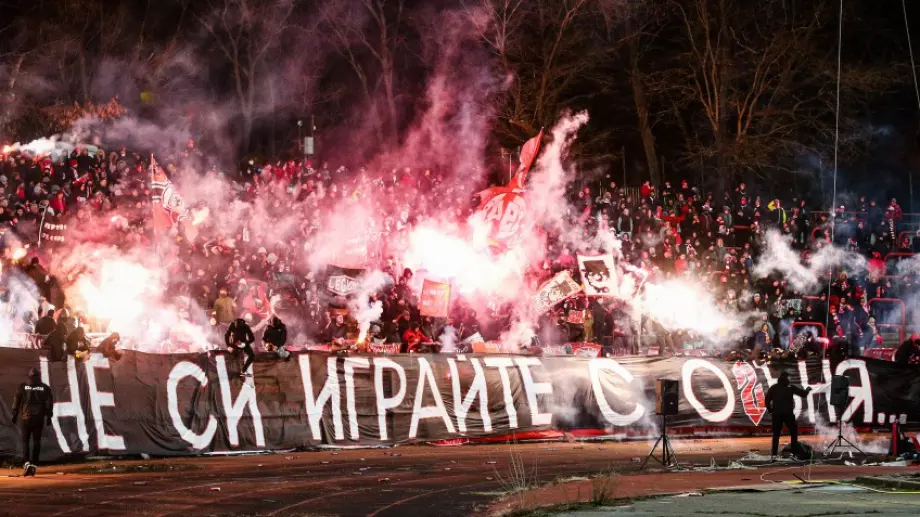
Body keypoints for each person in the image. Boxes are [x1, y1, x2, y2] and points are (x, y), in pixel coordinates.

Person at [11, 367, 53, 477]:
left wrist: (14, 415)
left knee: (25, 441)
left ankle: (26, 462)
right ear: (39, 376)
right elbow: (49, 404)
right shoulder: (45, 388)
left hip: (25, 417)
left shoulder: (23, 386)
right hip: (38, 418)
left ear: (29, 376)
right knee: (36, 441)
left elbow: (16, 401)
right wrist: (49, 416)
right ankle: (34, 464)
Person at [765, 371, 813, 460]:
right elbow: (804, 394)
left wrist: (770, 410)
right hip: (788, 414)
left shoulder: (774, 387)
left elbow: (767, 400)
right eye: (789, 378)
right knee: (793, 433)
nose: (790, 379)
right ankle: (794, 454)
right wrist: (808, 389)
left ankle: (774, 455)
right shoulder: (790, 387)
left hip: (776, 415)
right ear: (787, 378)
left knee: (776, 435)